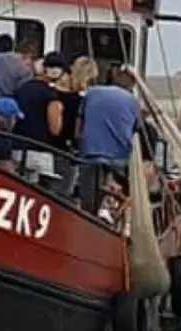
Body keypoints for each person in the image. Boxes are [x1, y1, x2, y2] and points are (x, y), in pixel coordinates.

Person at [76, 66, 142, 214]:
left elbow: (79, 123)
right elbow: (138, 128)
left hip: (90, 153)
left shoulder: (92, 93)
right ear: (131, 85)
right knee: (114, 196)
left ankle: (88, 219)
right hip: (118, 156)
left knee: (88, 199)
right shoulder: (132, 101)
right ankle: (110, 219)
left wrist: (78, 143)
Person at [12, 52, 65, 185]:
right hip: (40, 152)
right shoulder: (51, 95)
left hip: (17, 148)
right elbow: (55, 129)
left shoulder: (23, 88)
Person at [51, 56, 99, 198]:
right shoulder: (84, 101)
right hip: (70, 151)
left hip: (51, 145)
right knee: (65, 193)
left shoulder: (55, 94)